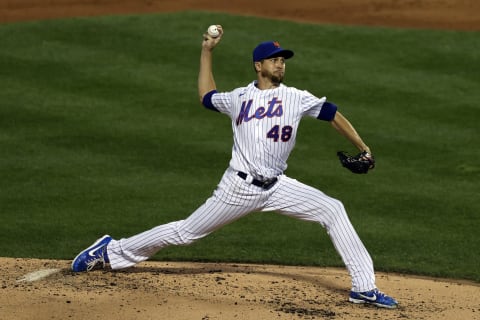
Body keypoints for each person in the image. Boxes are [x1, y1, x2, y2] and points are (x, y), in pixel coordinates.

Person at [72, 25, 398, 309]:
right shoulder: (240, 97)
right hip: (238, 188)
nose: (281, 63)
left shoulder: (297, 97)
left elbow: (333, 115)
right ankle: (112, 249)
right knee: (185, 233)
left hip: (277, 187)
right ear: (259, 66)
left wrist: (364, 147)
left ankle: (364, 288)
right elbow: (206, 96)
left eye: (283, 59)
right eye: (275, 59)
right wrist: (206, 51)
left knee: (333, 209)